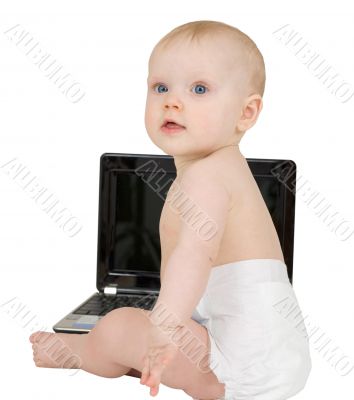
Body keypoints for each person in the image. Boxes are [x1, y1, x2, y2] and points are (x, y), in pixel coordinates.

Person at [29, 20, 312, 400]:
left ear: (246, 113)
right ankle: (150, 356)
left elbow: (193, 256)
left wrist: (162, 331)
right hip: (273, 358)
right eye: (160, 87)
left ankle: (74, 352)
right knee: (145, 337)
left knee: (121, 326)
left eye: (199, 89)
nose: (172, 101)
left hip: (240, 365)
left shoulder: (204, 179)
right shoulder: (227, 168)